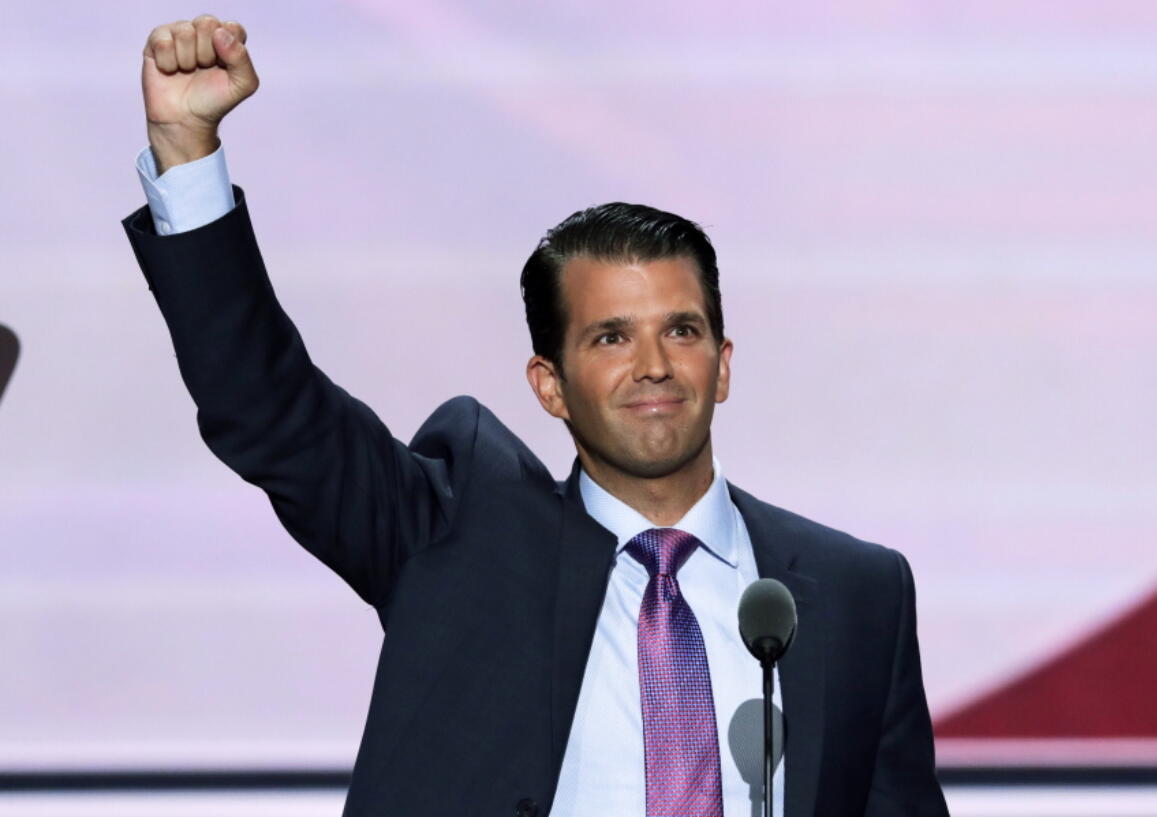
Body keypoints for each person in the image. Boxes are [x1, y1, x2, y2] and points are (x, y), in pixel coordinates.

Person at [122, 15, 949, 817]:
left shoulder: (854, 595)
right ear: (549, 385)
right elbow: (270, 411)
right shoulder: (458, 540)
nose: (654, 364)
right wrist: (188, 158)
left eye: (682, 330)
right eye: (611, 337)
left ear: (723, 364)